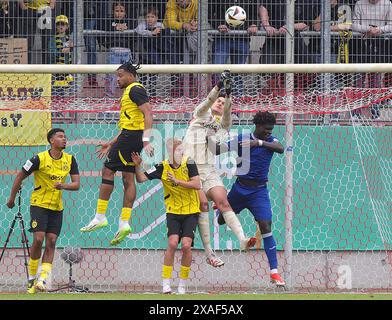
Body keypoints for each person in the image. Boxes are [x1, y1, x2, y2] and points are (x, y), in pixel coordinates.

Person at [182, 70, 256, 268]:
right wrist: (218, 86)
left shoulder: (222, 127)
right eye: (219, 101)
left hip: (208, 169)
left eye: (223, 103)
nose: (220, 103)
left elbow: (226, 120)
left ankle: (242, 239)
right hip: (189, 168)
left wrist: (229, 96)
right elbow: (206, 102)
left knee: (223, 201)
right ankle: (209, 252)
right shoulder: (200, 114)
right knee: (204, 205)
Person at [207, 111, 286, 287]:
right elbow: (217, 150)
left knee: (266, 226)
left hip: (259, 192)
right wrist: (208, 135)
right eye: (266, 129)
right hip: (240, 188)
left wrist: (258, 143)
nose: (269, 132)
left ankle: (274, 273)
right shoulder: (242, 138)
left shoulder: (270, 141)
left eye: (271, 130)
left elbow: (281, 148)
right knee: (220, 221)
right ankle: (221, 205)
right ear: (257, 126)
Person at [80, 62, 154, 246]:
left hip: (132, 137)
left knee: (107, 170)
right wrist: (111, 143)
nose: (118, 79)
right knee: (128, 177)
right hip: (130, 136)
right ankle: (124, 223)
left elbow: (148, 113)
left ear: (130, 74)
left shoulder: (135, 89)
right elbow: (131, 123)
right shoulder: (131, 91)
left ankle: (100, 217)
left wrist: (146, 140)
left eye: (120, 75)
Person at [6, 128, 80, 293]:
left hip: (56, 207)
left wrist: (63, 186)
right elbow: (20, 176)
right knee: (38, 239)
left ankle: (42, 279)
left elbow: (76, 184)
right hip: (39, 204)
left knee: (52, 241)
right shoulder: (38, 159)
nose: (64, 139)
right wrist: (11, 198)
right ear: (51, 140)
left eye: (65, 137)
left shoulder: (70, 160)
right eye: (60, 137)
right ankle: (31, 279)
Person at [131, 138, 201, 294]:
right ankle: (166, 284)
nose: (181, 152)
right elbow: (141, 178)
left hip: (191, 211)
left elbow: (197, 184)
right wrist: (137, 166)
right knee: (173, 243)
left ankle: (182, 285)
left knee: (186, 245)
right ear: (170, 152)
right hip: (173, 212)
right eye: (178, 150)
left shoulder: (189, 163)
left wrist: (177, 181)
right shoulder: (162, 167)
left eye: (182, 149)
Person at [351, 0, 392, 119]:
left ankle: (375, 112)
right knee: (359, 80)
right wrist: (368, 29)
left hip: (379, 44)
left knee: (376, 80)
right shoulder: (359, 3)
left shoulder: (387, 3)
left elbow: (391, 25)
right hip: (361, 45)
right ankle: (356, 113)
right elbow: (354, 25)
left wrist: (380, 30)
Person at [209, 1, 260, 96]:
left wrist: (253, 24)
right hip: (222, 38)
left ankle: (238, 100)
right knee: (218, 70)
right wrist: (218, 25)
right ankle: (218, 98)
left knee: (238, 72)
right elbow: (209, 12)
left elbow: (253, 12)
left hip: (242, 38)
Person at [104, 2, 135, 97]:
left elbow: (135, 35)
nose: (119, 13)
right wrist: (115, 28)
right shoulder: (109, 22)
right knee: (112, 75)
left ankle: (128, 95)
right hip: (114, 51)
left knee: (128, 75)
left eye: (121, 11)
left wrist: (126, 28)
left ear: (125, 13)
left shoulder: (130, 22)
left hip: (126, 51)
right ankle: (109, 95)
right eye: (117, 10)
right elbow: (102, 31)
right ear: (113, 11)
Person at [135, 7, 165, 97]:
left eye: (152, 17)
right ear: (144, 18)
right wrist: (151, 33)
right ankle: (142, 93)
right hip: (143, 54)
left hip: (155, 54)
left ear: (157, 18)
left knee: (153, 76)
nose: (150, 19)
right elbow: (138, 31)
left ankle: (152, 93)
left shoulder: (160, 25)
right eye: (148, 17)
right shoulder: (142, 25)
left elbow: (164, 31)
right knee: (142, 75)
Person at [49, 14, 74, 98]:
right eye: (58, 24)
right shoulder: (53, 39)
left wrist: (71, 48)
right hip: (57, 69)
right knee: (57, 90)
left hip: (68, 69)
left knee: (68, 90)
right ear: (56, 26)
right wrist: (61, 52)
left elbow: (71, 52)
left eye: (63, 24)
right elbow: (51, 53)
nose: (60, 27)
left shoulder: (68, 38)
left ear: (67, 26)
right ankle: (56, 110)